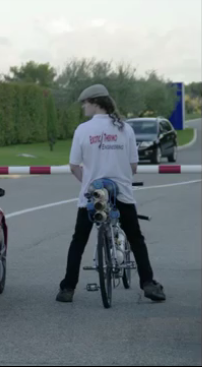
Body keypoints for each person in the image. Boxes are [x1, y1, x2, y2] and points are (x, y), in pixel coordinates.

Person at [56, 84, 166, 303]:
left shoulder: (83, 130)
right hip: (121, 193)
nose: (83, 107)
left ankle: (67, 288)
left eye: (85, 103)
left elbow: (74, 165)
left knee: (78, 240)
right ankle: (148, 283)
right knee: (135, 238)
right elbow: (133, 165)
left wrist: (87, 181)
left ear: (95, 103)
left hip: (92, 194)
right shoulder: (125, 128)